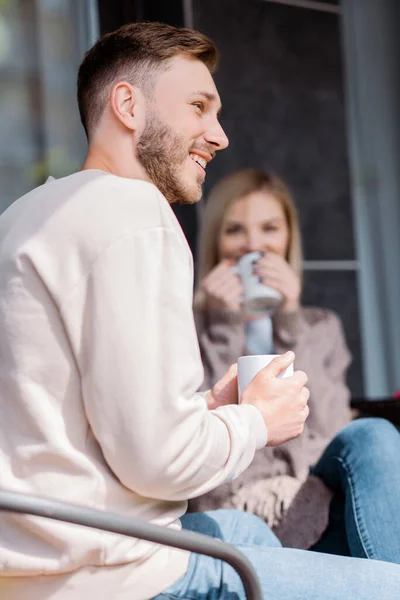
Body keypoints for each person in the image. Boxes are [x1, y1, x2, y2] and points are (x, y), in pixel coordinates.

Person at [0, 21, 400, 600]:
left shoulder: (24, 217)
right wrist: (256, 420)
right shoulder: (134, 214)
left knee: (240, 530)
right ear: (128, 105)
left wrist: (207, 409)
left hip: (36, 561)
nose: (220, 136)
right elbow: (159, 462)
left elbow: (89, 417)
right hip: (120, 575)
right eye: (198, 107)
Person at [190, 168, 352, 549]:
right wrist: (223, 324)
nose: (253, 245)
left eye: (269, 228)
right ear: (215, 240)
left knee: (372, 437)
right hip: (232, 505)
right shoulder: (188, 325)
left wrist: (290, 316)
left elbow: (331, 428)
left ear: (289, 238)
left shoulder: (321, 326)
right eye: (234, 230)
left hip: (317, 498)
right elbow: (201, 425)